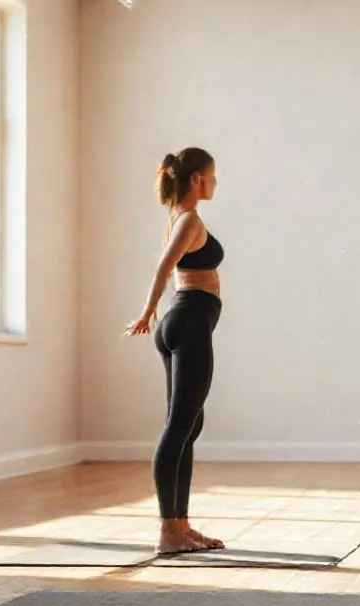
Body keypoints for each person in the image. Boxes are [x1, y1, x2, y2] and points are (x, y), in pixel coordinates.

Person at [124, 147, 225, 554]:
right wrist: (148, 310)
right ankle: (169, 531)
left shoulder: (177, 220)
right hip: (189, 322)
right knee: (179, 428)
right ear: (198, 179)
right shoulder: (189, 221)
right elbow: (164, 267)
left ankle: (180, 525)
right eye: (213, 176)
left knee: (188, 426)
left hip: (183, 322)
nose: (216, 184)